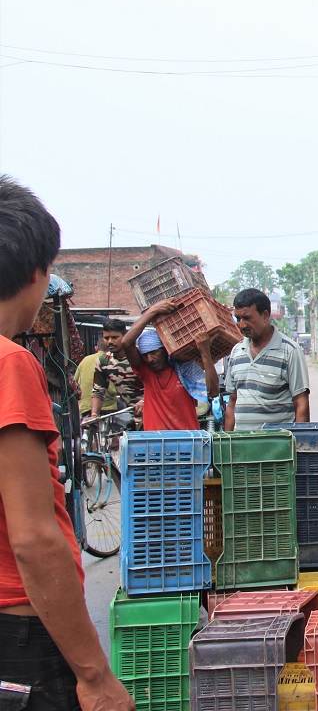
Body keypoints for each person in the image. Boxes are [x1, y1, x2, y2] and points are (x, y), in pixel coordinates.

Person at [0, 175, 135, 711]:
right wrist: (94, 675)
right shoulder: (10, 365)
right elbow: (33, 540)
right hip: (21, 630)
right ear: (36, 272)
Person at [121, 298, 218, 432]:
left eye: (154, 352)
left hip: (186, 439)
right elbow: (126, 343)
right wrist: (153, 311)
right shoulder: (146, 372)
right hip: (155, 441)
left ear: (165, 350)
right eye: (145, 355)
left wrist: (205, 351)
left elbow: (213, 391)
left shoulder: (185, 369)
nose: (149, 359)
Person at [225, 288, 310, 430]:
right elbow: (232, 403)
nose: (241, 325)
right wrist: (227, 444)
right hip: (241, 448)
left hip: (277, 448)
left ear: (265, 316)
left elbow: (301, 403)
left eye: (247, 318)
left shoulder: (290, 351)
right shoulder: (236, 352)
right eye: (238, 319)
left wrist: (299, 447)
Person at [91, 318, 144, 430]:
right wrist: (94, 415)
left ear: (125, 336)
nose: (110, 341)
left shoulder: (141, 356)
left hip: (154, 410)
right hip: (133, 415)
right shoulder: (104, 361)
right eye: (106, 338)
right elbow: (98, 391)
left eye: (114, 337)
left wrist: (145, 400)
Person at [74, 339, 114, 419]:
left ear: (96, 348)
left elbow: (75, 382)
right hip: (107, 406)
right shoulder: (110, 360)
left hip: (85, 405)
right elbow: (113, 390)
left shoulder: (85, 360)